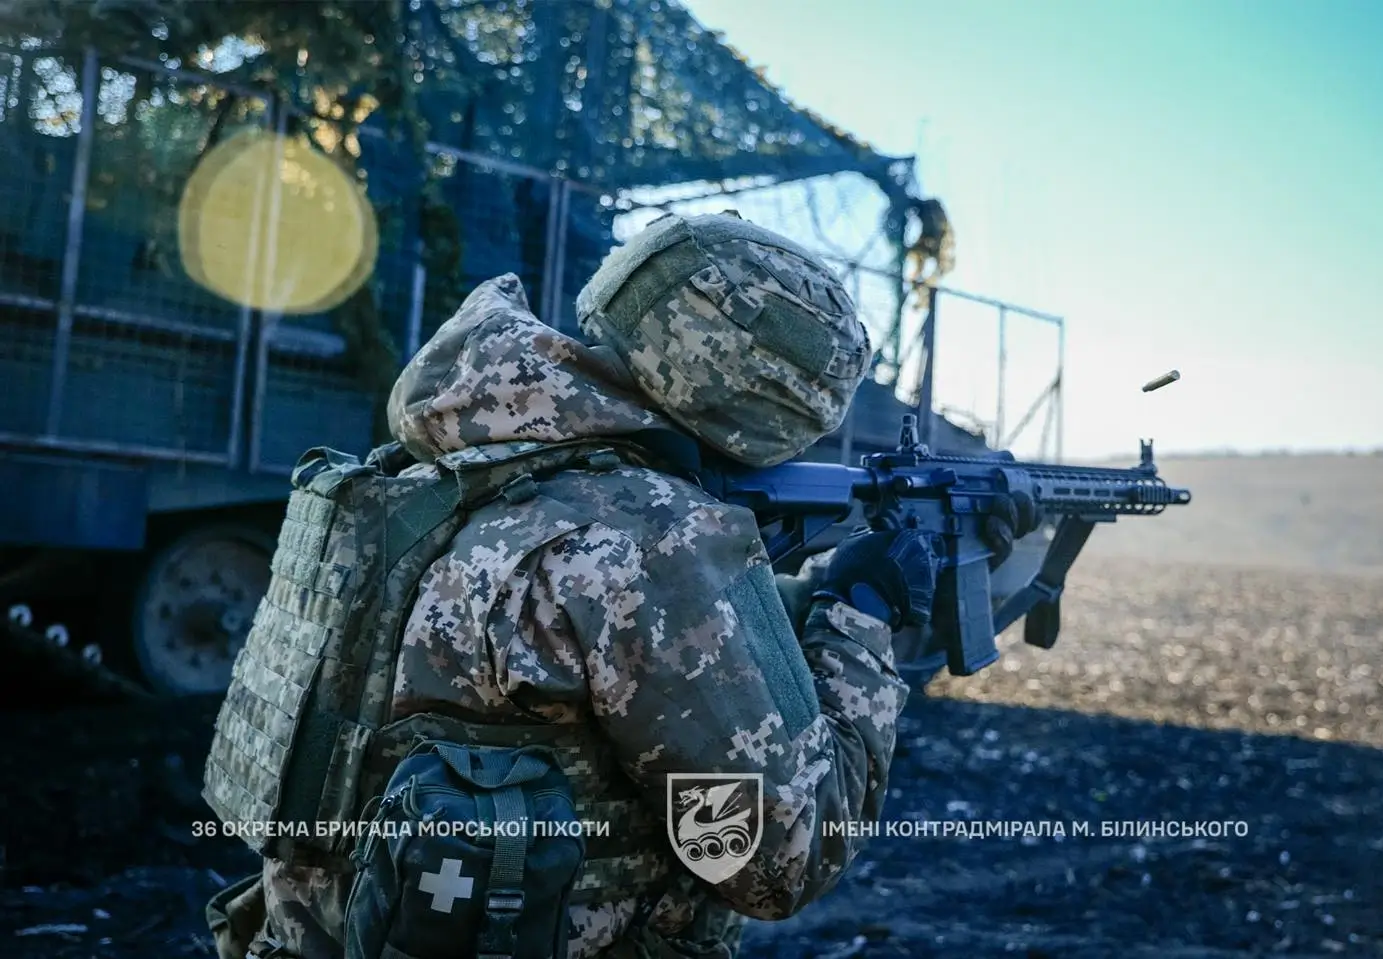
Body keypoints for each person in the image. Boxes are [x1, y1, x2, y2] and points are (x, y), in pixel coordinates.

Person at [208, 212, 1023, 959]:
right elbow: (782, 858)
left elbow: (581, 660)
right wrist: (863, 614)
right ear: (766, 401)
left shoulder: (449, 461)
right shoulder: (651, 535)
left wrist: (798, 594)